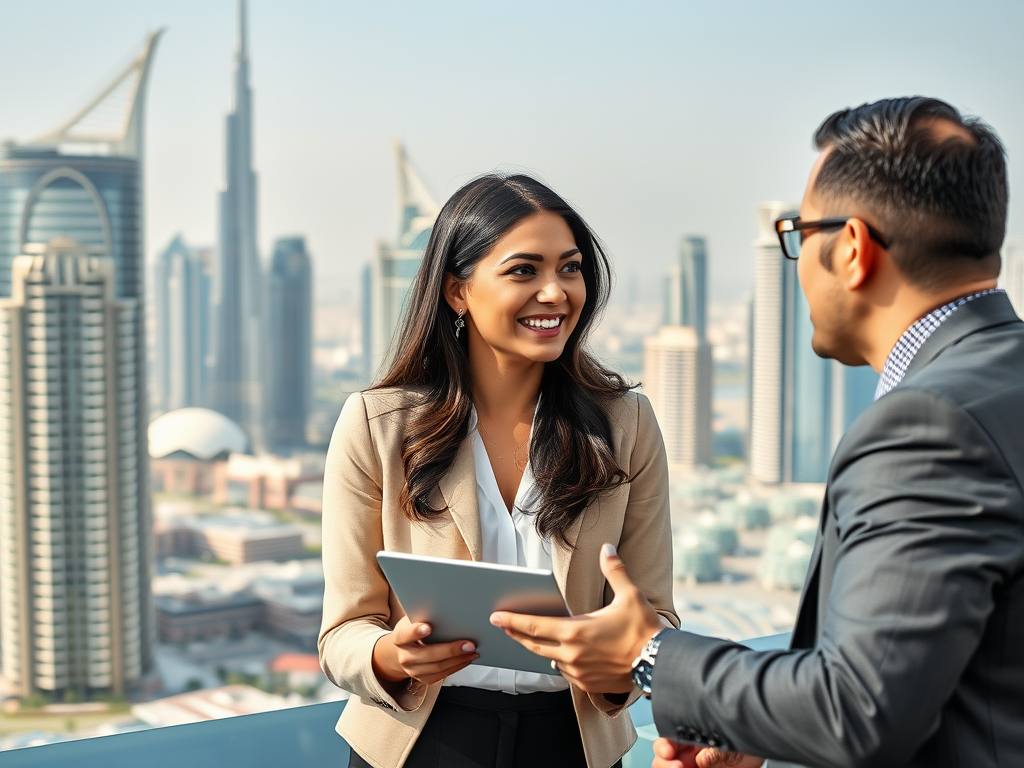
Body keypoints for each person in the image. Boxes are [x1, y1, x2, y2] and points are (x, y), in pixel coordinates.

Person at [491, 97, 1024, 768]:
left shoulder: (927, 425)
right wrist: (763, 734)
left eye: (799, 235)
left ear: (852, 250)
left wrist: (646, 652)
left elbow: (857, 710)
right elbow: (952, 675)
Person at [318, 173, 679, 768]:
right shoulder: (376, 426)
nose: (556, 291)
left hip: (574, 743)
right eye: (523, 270)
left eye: (569, 268)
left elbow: (656, 614)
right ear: (458, 291)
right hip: (420, 743)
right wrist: (392, 656)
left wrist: (617, 668)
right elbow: (343, 634)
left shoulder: (626, 423)